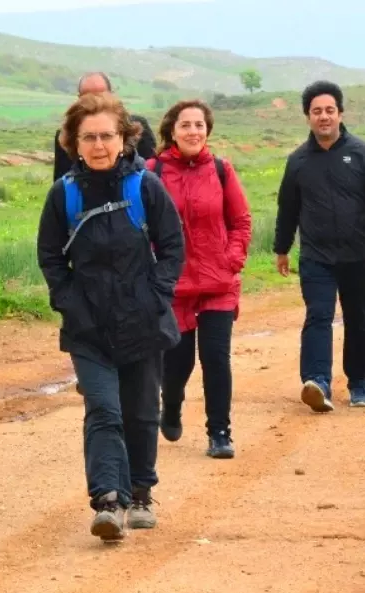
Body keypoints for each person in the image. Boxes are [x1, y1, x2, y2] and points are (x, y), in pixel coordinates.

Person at [36, 92, 185, 542]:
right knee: (103, 409)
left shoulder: (145, 187)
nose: (99, 145)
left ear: (124, 139)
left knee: (141, 413)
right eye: (89, 137)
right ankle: (108, 501)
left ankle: (140, 492)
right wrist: (71, 304)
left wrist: (154, 296)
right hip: (89, 328)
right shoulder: (63, 194)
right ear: (73, 144)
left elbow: (173, 248)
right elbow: (50, 257)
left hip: (142, 321)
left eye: (107, 136)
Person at [272, 80, 365, 413]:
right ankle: (317, 382)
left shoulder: (363, 154)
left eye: (330, 110)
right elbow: (288, 207)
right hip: (317, 257)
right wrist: (282, 248)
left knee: (359, 319)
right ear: (307, 117)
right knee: (318, 316)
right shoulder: (298, 161)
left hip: (358, 256)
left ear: (340, 114)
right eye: (317, 111)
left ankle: (359, 382)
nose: (324, 117)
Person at [145, 99, 253, 460]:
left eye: (199, 125)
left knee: (215, 357)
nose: (194, 131)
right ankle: (171, 405)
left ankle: (219, 433)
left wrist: (233, 258)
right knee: (177, 363)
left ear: (208, 130)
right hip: (174, 286)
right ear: (172, 131)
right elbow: (140, 226)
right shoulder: (153, 171)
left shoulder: (222, 170)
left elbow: (240, 221)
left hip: (218, 282)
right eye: (186, 125)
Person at [53, 72, 157, 182]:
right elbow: (62, 178)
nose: (94, 101)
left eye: (101, 95)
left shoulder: (136, 126)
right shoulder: (66, 134)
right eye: (87, 97)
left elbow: (151, 168)